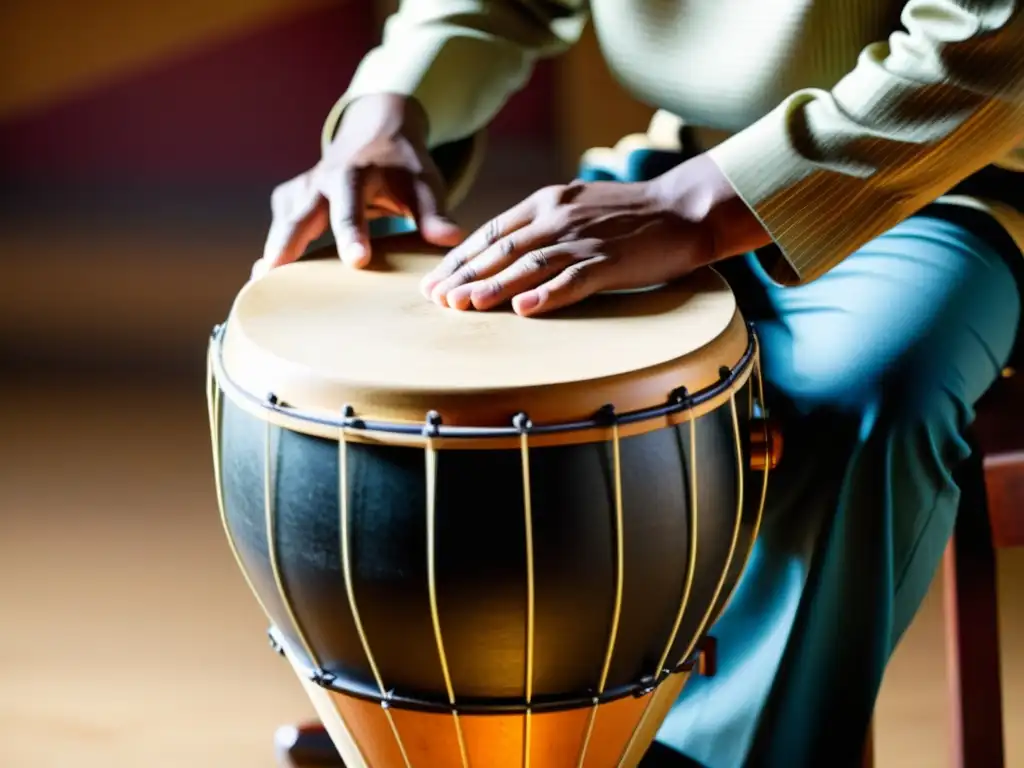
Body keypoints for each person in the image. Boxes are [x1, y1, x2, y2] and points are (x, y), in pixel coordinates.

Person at [257, 2, 1024, 766]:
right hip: (685, 161)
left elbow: (988, 43)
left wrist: (692, 209)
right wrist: (390, 104)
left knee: (855, 403)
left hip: (948, 179)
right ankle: (477, 734)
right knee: (481, 378)